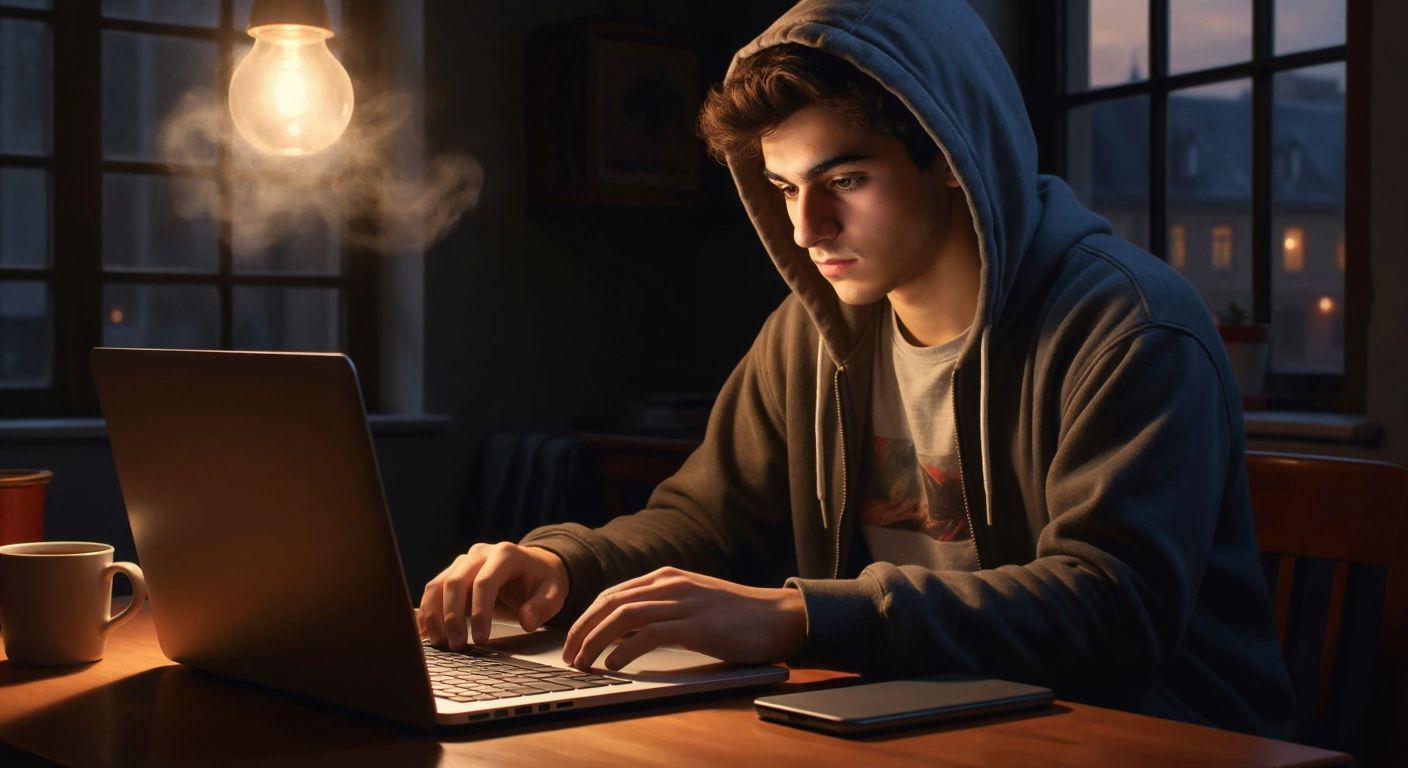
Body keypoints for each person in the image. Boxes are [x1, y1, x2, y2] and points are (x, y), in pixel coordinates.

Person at [419, 0, 1294, 737]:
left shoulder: (1130, 328)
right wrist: (564, 565)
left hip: (1144, 735)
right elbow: (706, 522)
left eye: (845, 180)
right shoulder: (808, 335)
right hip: (932, 725)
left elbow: (1111, 610)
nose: (807, 229)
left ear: (952, 160)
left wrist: (800, 617)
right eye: (786, 188)